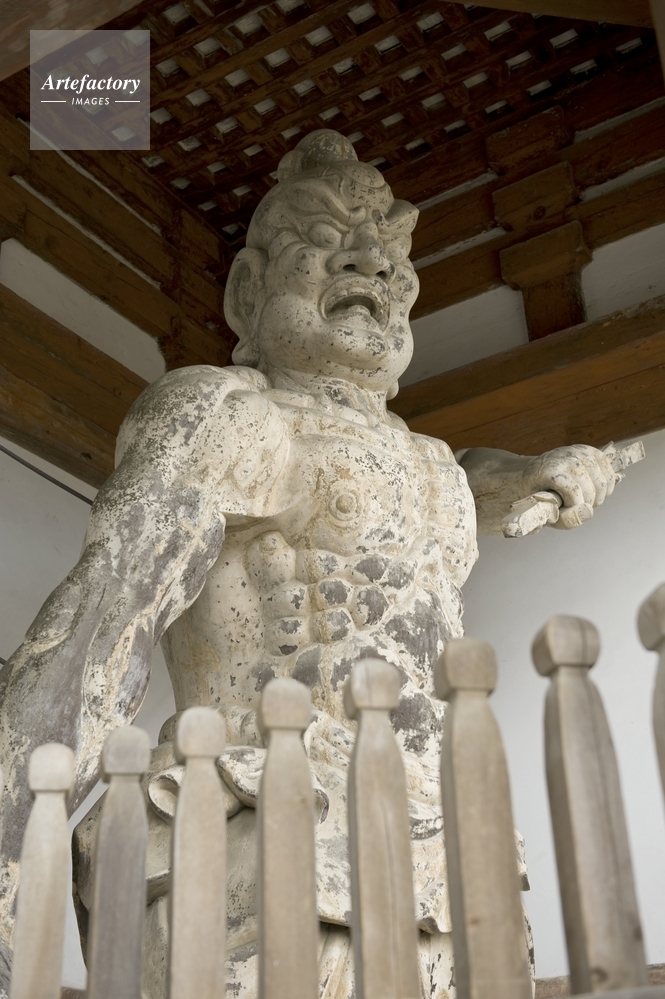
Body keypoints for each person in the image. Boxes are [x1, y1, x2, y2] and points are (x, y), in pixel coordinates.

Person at [0, 129, 618, 997]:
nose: (369, 265)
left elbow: (443, 480)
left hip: (451, 845)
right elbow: (105, 616)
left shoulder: (429, 464)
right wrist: (12, 824)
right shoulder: (226, 412)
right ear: (249, 291)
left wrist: (529, 472)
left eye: (391, 264)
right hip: (267, 818)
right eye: (321, 241)